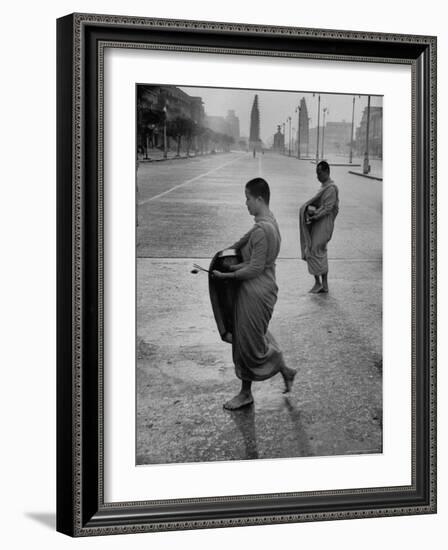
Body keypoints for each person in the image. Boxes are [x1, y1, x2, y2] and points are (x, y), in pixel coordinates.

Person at [212, 178, 296, 410]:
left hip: (256, 292)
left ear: (259, 199)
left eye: (248, 198)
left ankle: (248, 391)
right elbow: (243, 245)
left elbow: (254, 268)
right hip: (260, 288)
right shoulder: (268, 222)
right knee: (248, 338)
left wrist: (225, 276)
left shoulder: (263, 229)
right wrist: (225, 258)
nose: (245, 203)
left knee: (248, 346)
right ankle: (283, 372)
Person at [299, 161, 339, 293]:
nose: (318, 176)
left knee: (314, 250)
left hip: (325, 224)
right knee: (317, 251)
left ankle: (319, 283)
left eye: (319, 173)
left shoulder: (331, 188)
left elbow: (327, 208)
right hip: (319, 223)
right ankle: (323, 284)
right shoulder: (324, 187)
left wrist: (314, 215)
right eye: (316, 173)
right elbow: (321, 206)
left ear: (327, 172)